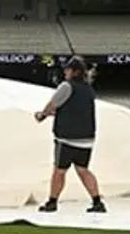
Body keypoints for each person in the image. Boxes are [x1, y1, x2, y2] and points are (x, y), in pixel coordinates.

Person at [33, 56, 107, 213]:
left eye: (68, 69)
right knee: (83, 169)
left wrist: (42, 115)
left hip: (67, 138)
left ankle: (52, 202)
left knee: (59, 170)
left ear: (74, 72)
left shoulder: (66, 87)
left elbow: (53, 104)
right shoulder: (88, 89)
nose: (65, 72)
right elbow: (76, 111)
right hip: (87, 138)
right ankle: (97, 201)